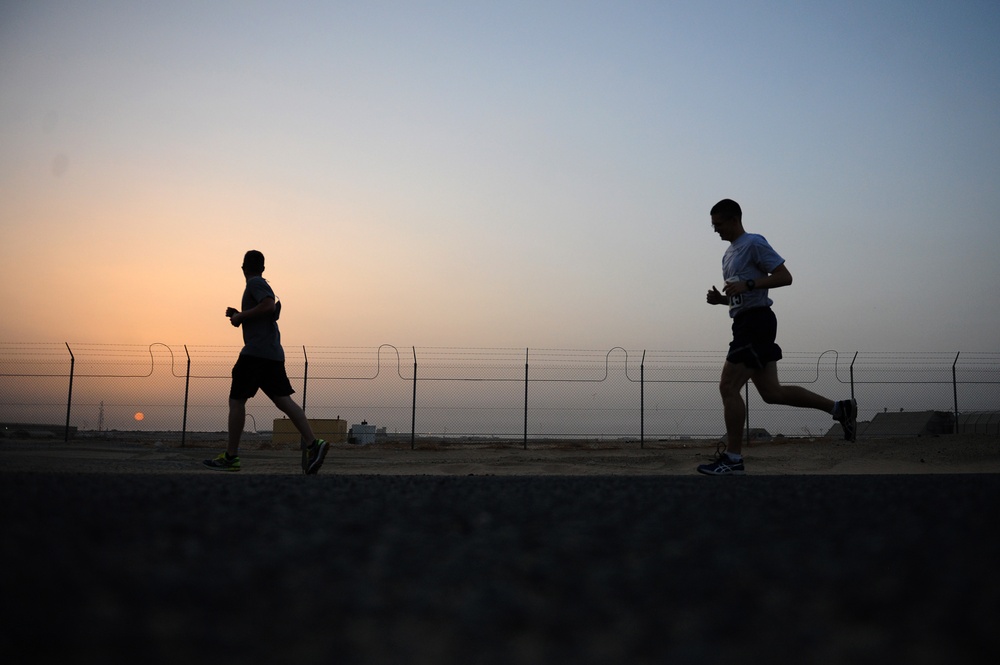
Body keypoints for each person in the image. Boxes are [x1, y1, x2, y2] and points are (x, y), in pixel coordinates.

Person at [699, 199, 857, 476]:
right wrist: (722, 302)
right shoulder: (727, 254)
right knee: (772, 393)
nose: (715, 231)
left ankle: (733, 460)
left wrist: (749, 283)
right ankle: (839, 408)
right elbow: (744, 296)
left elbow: (785, 277)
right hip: (744, 321)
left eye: (718, 224)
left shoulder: (754, 243)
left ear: (734, 219)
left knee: (727, 386)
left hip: (756, 323)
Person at [203, 250, 329, 474]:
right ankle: (314, 443)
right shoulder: (261, 284)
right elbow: (264, 311)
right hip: (272, 353)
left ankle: (231, 457)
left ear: (243, 267)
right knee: (284, 401)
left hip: (255, 354)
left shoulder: (255, 284)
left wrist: (240, 317)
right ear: (263, 267)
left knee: (237, 401)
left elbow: (268, 305)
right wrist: (240, 314)